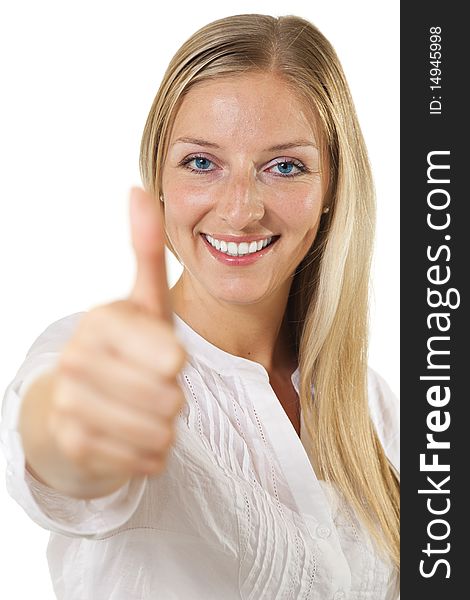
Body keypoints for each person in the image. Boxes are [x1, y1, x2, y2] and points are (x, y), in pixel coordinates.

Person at [0, 13, 400, 600]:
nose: (241, 211)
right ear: (159, 177)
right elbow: (59, 446)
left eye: (284, 167)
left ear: (331, 190)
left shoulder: (375, 407)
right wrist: (77, 424)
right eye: (201, 162)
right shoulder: (97, 356)